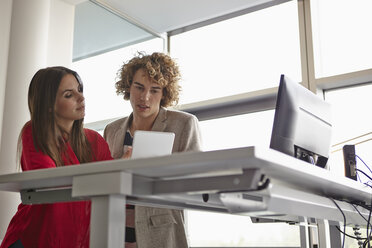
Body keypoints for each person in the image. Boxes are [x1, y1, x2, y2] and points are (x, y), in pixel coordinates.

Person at [0, 66, 113, 248]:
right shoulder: (35, 131)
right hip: (34, 238)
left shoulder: (94, 140)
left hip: (76, 238)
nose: (81, 97)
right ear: (49, 105)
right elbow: (48, 180)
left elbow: (112, 186)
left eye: (80, 90)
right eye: (69, 95)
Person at [104, 52, 202, 248]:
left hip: (159, 232)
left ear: (164, 93)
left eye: (154, 90)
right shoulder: (112, 130)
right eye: (138, 87)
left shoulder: (184, 124)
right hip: (114, 231)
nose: (145, 97)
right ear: (128, 87)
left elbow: (195, 181)